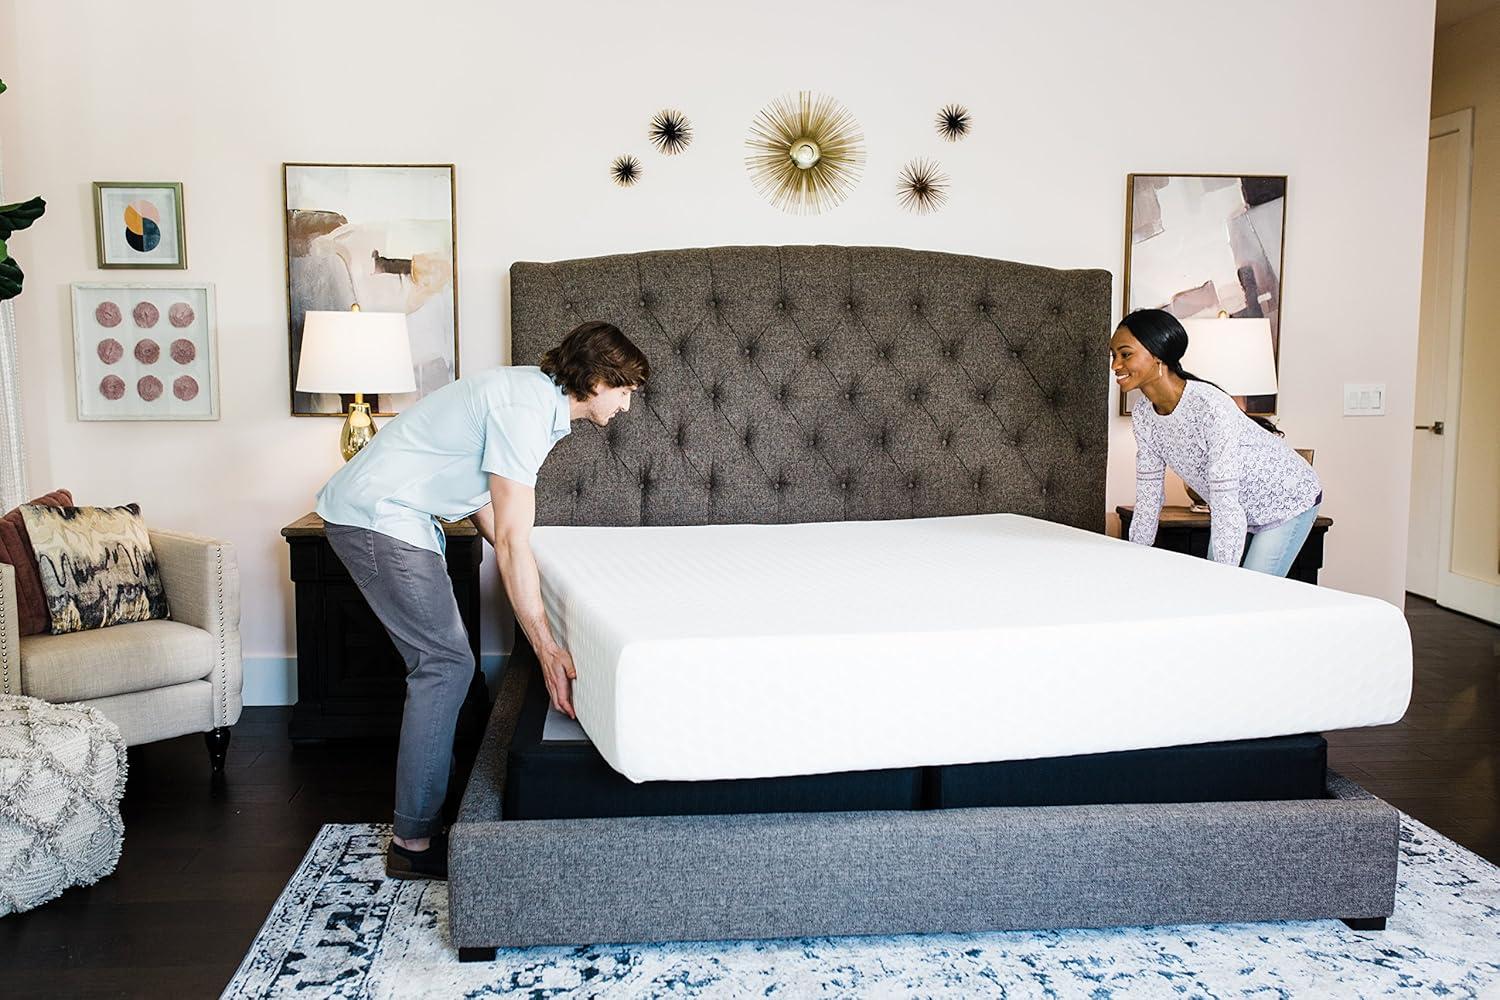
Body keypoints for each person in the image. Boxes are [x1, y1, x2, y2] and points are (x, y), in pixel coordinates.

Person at [315, 319, 649, 880]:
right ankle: (412, 842)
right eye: (624, 390)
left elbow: (482, 503)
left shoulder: (527, 396)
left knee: (447, 662)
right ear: (596, 380)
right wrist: (545, 647)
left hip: (393, 516)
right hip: (379, 518)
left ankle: (430, 810)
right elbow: (513, 539)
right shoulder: (524, 413)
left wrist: (543, 577)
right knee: (444, 664)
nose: (626, 405)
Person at [1110, 308, 1321, 576]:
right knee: (1216, 583)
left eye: (1125, 354)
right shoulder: (1143, 414)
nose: (1115, 365)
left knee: (1249, 591)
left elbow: (1224, 500)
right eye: (1113, 355)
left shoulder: (1209, 407)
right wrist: (1135, 558)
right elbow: (1149, 493)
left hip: (1287, 499)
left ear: (1157, 354)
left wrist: (1221, 578)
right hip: (1235, 507)